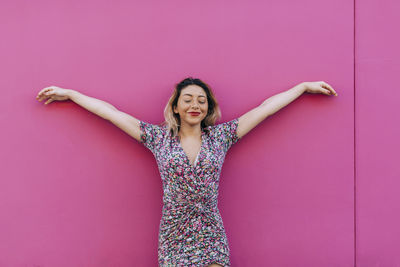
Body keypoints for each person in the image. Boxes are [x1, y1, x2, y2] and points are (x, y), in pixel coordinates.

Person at [36, 77, 338, 266]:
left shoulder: (222, 136)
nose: (195, 104)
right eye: (188, 99)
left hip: (210, 229)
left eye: (201, 100)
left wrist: (301, 88)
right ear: (176, 107)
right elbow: (111, 112)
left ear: (208, 108)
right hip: (174, 232)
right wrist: (71, 94)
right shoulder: (157, 138)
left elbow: (265, 108)